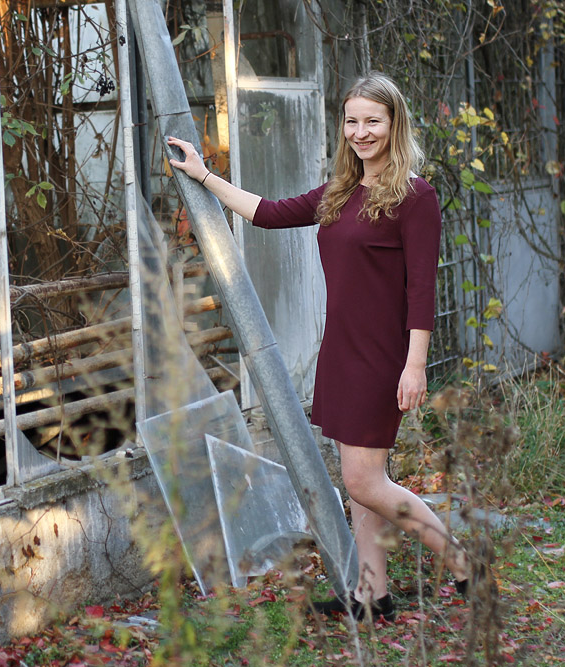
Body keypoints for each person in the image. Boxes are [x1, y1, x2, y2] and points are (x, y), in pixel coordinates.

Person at [165, 72, 470, 620]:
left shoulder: (415, 197)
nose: (361, 132)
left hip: (384, 359)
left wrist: (415, 365)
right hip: (342, 353)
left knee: (364, 480)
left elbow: (421, 288)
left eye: (373, 121)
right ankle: (372, 595)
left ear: (394, 124)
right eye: (352, 121)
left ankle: (465, 564)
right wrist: (204, 175)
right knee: (360, 484)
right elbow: (268, 212)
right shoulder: (339, 192)